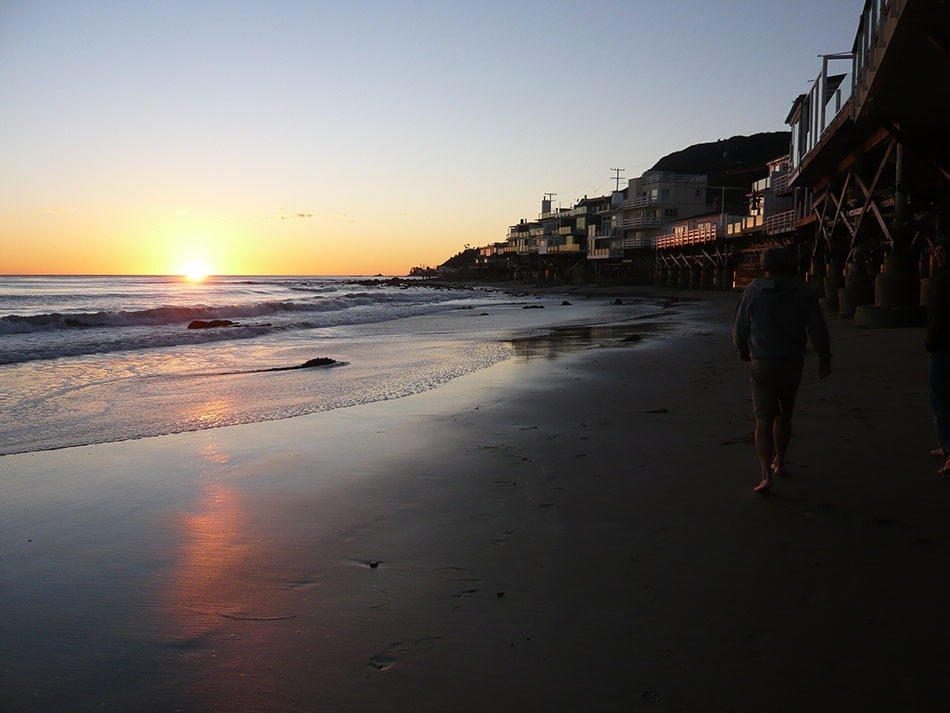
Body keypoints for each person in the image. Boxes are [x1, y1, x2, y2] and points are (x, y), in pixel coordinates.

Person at [733, 247, 832, 493]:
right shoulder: (802, 292)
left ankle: (766, 474)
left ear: (764, 266)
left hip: (762, 362)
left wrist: (743, 351)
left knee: (763, 420)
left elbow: (740, 329)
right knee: (784, 416)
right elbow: (817, 329)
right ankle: (781, 462)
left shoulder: (752, 291)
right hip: (791, 361)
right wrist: (824, 358)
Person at [925, 235, 950, 474]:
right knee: (939, 398)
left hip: (944, 347)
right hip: (941, 346)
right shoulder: (941, 278)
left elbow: (940, 315)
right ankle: (944, 445)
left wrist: (931, 340)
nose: (938, 255)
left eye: (942, 251)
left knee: (942, 398)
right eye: (936, 251)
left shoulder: (943, 281)